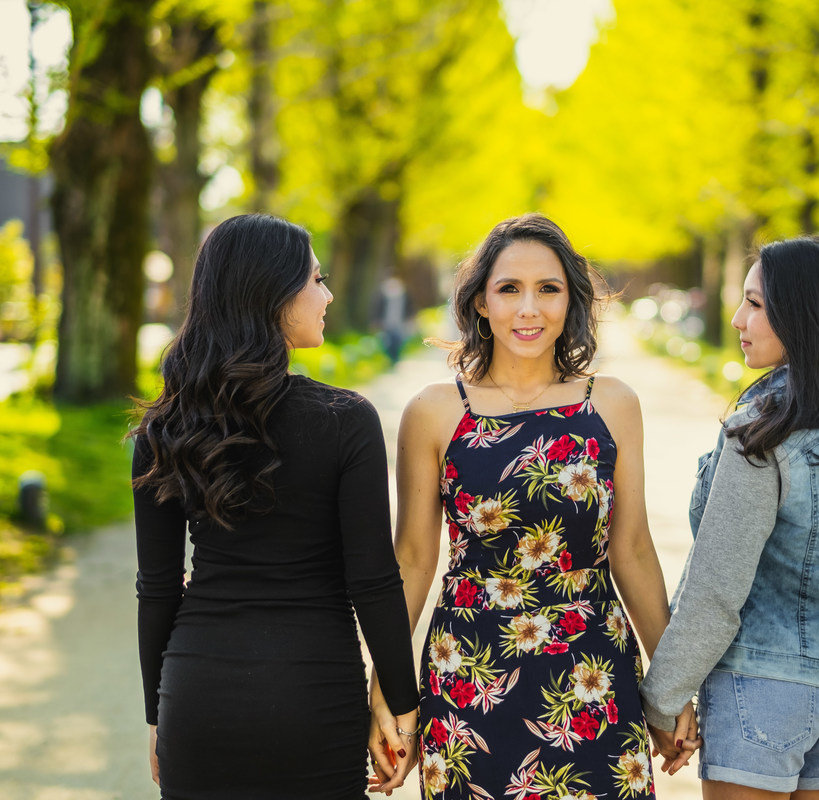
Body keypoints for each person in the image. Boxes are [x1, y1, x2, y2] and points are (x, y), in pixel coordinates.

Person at [368, 213, 694, 799]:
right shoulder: (435, 412)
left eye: (549, 289)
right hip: (468, 675)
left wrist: (673, 689)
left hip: (592, 674)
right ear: (479, 304)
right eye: (509, 289)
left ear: (572, 302)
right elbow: (413, 559)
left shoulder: (612, 404)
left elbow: (635, 551)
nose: (529, 309)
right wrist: (385, 691)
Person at [130, 213, 419, 798]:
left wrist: (158, 715)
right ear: (272, 293)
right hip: (312, 699)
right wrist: (402, 707)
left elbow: (158, 587)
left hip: (196, 694)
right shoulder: (346, 420)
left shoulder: (163, 430)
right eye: (315, 280)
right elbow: (373, 579)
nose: (328, 294)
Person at [640, 235, 819, 798]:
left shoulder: (762, 428)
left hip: (756, 696)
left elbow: (717, 589)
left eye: (756, 304)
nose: (738, 318)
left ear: (804, 313)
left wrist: (663, 699)